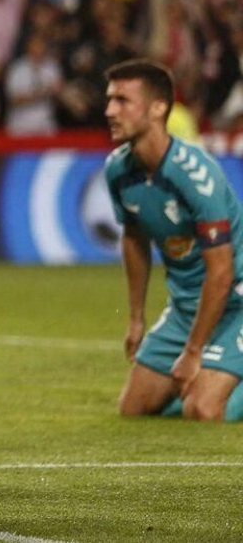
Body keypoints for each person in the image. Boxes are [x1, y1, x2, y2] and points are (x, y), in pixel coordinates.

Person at [103, 59, 243, 423]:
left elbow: (222, 272)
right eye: (109, 100)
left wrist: (193, 352)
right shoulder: (117, 170)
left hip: (235, 302)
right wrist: (136, 318)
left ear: (157, 108)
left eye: (122, 101)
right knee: (133, 409)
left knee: (203, 409)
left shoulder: (195, 175)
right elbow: (133, 238)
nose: (109, 111)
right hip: (186, 306)